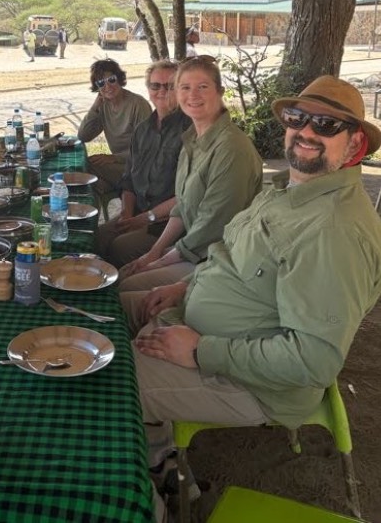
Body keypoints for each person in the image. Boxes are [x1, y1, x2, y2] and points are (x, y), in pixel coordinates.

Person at [121, 75, 381, 515]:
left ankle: (145, 508)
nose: (307, 131)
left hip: (247, 381)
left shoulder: (331, 232)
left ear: (355, 146)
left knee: (110, 388)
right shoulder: (287, 189)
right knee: (107, 309)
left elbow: (310, 361)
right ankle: (159, 456)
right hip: (195, 320)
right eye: (299, 118)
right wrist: (183, 287)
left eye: (327, 125)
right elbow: (231, 257)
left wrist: (202, 350)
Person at [119, 55, 262, 291]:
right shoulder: (193, 140)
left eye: (202, 87)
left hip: (218, 259)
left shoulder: (231, 148)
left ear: (220, 91)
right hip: (192, 248)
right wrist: (153, 253)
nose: (193, 95)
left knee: (128, 287)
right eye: (185, 87)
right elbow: (182, 207)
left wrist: (160, 260)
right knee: (125, 271)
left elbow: (212, 224)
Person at [95, 60, 192, 266]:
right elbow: (128, 179)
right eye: (156, 85)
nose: (162, 91)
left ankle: (122, 292)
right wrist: (127, 214)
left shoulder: (190, 130)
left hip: (167, 223)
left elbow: (187, 195)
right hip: (138, 213)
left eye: (170, 86)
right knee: (96, 238)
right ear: (148, 89)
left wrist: (143, 219)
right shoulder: (142, 130)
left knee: (119, 247)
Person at [77, 58, 152, 194]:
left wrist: (113, 158)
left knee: (84, 169)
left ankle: (117, 190)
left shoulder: (138, 104)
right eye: (101, 83)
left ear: (119, 78)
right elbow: (83, 136)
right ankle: (112, 189)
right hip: (119, 165)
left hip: (140, 167)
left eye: (111, 79)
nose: (107, 86)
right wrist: (94, 107)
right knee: (85, 173)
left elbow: (145, 149)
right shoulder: (103, 106)